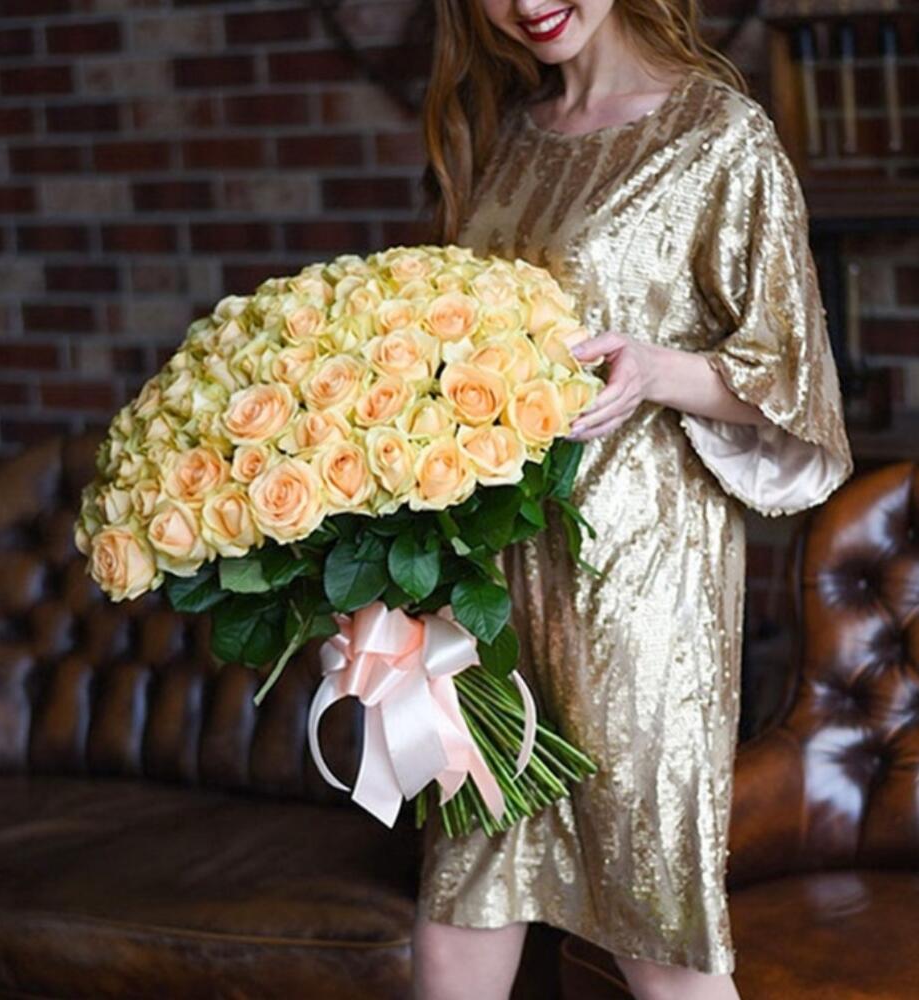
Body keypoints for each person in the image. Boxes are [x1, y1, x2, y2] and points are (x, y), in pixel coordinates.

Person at [411, 2, 854, 999]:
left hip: (642, 588)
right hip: (489, 585)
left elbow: (795, 377)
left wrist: (654, 369)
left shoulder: (717, 135)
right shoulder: (505, 137)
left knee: (658, 938)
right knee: (458, 911)